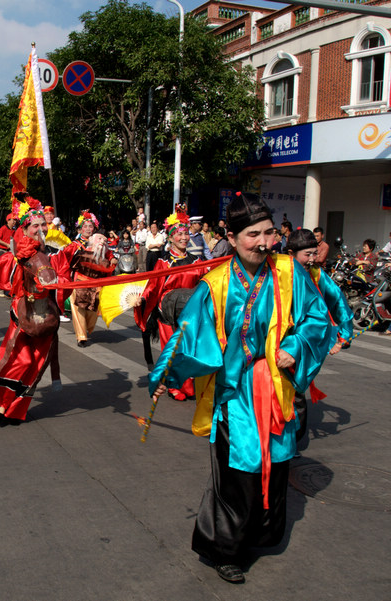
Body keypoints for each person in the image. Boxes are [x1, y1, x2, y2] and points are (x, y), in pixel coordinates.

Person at [148, 192, 332, 584]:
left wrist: (294, 346)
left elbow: (317, 317)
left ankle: (258, 535)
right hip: (234, 393)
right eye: (253, 235)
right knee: (238, 472)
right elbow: (189, 334)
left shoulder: (288, 272)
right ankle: (222, 549)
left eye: (268, 233)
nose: (264, 242)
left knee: (277, 463)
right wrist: (167, 372)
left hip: (278, 387)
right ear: (231, 238)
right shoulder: (215, 284)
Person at [0, 196, 62, 425]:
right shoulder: (17, 257)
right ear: (25, 228)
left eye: (44, 224)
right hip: (24, 317)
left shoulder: (54, 252)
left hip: (48, 317)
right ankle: (1, 403)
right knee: (21, 361)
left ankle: (14, 410)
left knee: (36, 366)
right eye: (36, 225)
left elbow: (66, 276)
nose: (41, 229)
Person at [134, 206, 209, 401]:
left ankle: (188, 384)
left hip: (190, 313)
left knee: (189, 350)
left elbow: (206, 286)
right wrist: (142, 298)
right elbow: (153, 285)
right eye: (179, 234)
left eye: (186, 234)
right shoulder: (163, 263)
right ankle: (175, 386)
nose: (184, 238)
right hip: (166, 313)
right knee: (173, 350)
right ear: (171, 237)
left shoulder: (197, 262)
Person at [287, 228, 354, 443]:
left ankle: (293, 440)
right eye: (307, 254)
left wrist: (344, 335)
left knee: (296, 390)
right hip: (276, 338)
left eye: (314, 253)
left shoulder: (316, 274)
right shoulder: (278, 272)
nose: (312, 259)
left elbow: (338, 301)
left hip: (303, 341)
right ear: (291, 253)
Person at [69, 211, 116, 347]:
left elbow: (110, 255)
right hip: (79, 281)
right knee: (78, 308)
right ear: (80, 229)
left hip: (97, 282)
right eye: (85, 226)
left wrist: (112, 259)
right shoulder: (76, 244)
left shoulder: (101, 243)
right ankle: (81, 336)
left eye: (91, 226)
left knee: (93, 310)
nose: (88, 229)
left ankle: (87, 328)